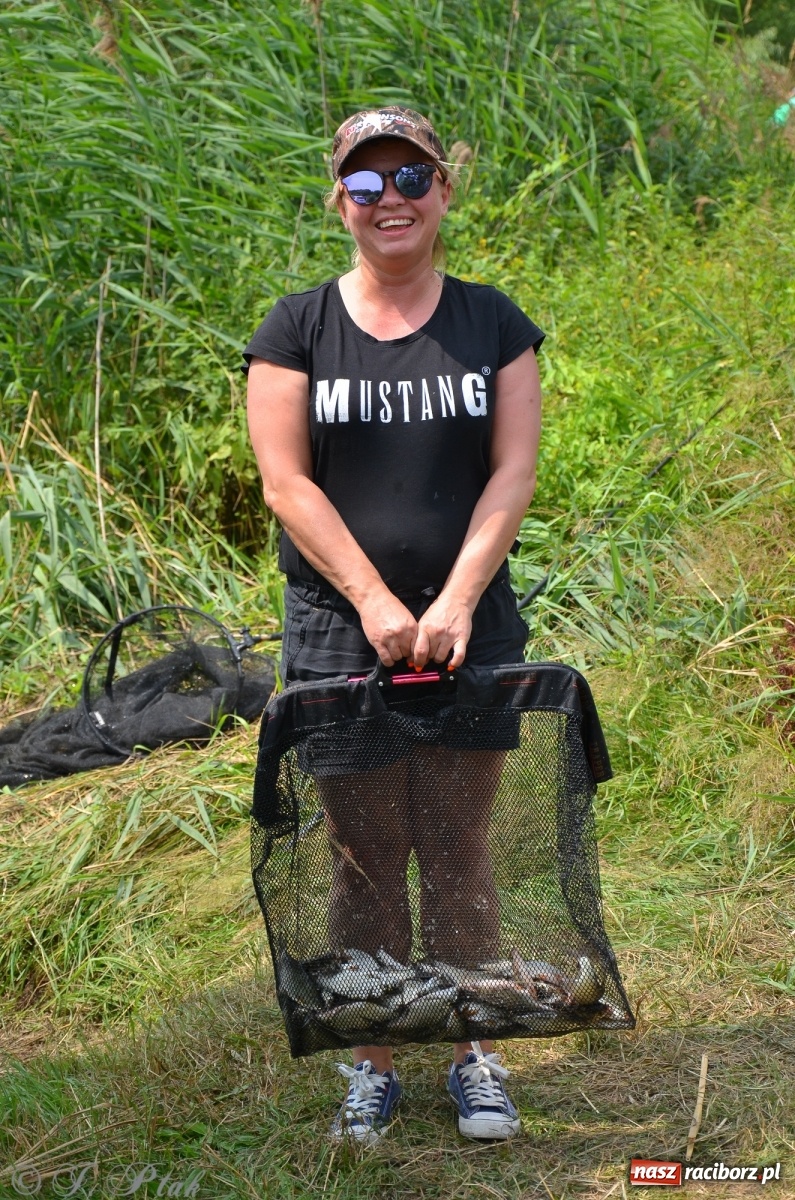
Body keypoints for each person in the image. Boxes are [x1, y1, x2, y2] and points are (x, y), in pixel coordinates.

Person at [244, 106, 544, 1145]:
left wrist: (455, 602)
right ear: (339, 202)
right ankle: (372, 1059)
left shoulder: (492, 320)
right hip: (338, 629)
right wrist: (376, 603)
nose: (390, 202)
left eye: (409, 178)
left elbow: (512, 472)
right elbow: (285, 483)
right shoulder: (296, 329)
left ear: (443, 190)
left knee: (459, 845)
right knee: (364, 853)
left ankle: (473, 1050)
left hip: (476, 622)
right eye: (365, 185)